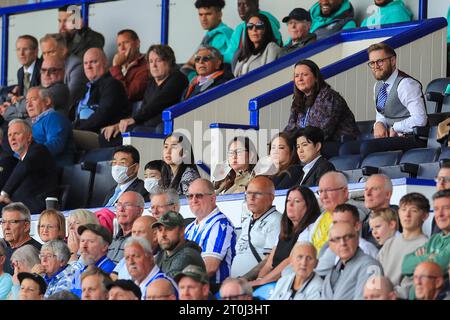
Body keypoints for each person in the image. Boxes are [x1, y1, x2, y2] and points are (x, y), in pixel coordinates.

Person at [248, 186, 321, 287]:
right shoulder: (285, 230)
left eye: (297, 201)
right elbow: (269, 264)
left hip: (286, 283)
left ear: (308, 206)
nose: (290, 204)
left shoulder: (311, 229)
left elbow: (290, 261)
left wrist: (261, 282)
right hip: (269, 282)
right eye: (288, 200)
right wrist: (259, 280)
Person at [112, 45, 188, 139]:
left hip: (165, 126)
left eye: (158, 60)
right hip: (148, 124)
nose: (154, 65)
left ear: (169, 62)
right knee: (110, 136)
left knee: (135, 131)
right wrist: (119, 125)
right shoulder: (152, 82)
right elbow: (144, 106)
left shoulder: (178, 78)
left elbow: (158, 103)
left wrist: (134, 119)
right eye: (151, 61)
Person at [284, 59, 359, 141]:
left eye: (305, 75)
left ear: (316, 78)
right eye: (296, 76)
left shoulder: (328, 97)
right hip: (307, 145)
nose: (300, 79)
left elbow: (320, 132)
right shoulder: (299, 100)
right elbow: (290, 129)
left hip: (340, 146)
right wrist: (282, 142)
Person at [185, 179, 235, 291]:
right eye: (190, 196)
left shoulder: (221, 224)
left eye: (199, 196)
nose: (194, 200)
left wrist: (183, 286)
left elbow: (210, 268)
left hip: (213, 289)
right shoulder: (189, 228)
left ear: (213, 198)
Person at [73, 48, 129, 147]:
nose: (88, 66)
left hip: (99, 134)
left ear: (105, 63)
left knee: (64, 135)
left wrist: (75, 129)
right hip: (81, 132)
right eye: (85, 63)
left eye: (93, 62)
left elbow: (102, 115)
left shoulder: (112, 85)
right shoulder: (84, 88)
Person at [368, 43, 427, 137]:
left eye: (380, 61)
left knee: (365, 148)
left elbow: (420, 120)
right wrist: (379, 123)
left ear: (393, 61)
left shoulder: (406, 84)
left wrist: (395, 127)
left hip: (411, 138)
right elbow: (382, 113)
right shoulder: (378, 86)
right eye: (372, 63)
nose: (375, 66)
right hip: (390, 138)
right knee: (348, 148)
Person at [378, 193, 429, 299]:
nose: (407, 214)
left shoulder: (426, 246)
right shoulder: (389, 243)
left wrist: (386, 295)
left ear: (425, 215)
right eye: (404, 209)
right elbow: (376, 272)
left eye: (413, 210)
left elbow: (412, 286)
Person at [0, 119, 58, 213]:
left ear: (29, 137)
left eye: (16, 134)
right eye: (9, 135)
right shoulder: (21, 159)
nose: (12, 138)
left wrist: (5, 193)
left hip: (39, 207)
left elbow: (25, 166)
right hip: (19, 206)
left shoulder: (39, 150)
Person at [231, 176, 281, 277]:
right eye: (248, 193)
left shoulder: (276, 220)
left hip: (253, 285)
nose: (251, 198)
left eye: (257, 194)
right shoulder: (247, 220)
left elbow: (269, 260)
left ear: (271, 197)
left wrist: (245, 279)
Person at [402, 190, 450, 294]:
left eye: (446, 208)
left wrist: (424, 257)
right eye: (436, 209)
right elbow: (405, 265)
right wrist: (432, 257)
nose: (440, 214)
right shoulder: (434, 239)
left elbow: (441, 263)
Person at [314, 203, 379, 277]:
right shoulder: (333, 247)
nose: (338, 227)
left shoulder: (365, 249)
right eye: (335, 223)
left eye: (343, 223)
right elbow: (318, 272)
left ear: (357, 226)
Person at [321, 222, 383, 300]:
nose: (343, 243)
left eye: (348, 237)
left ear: (357, 239)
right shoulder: (335, 270)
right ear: (330, 245)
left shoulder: (371, 267)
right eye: (337, 239)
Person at [181, 0, 233, 80]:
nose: (203, 19)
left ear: (219, 15)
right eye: (200, 14)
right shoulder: (209, 35)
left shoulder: (224, 34)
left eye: (208, 14)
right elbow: (189, 64)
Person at [25, 86, 75, 166]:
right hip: (36, 166)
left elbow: (56, 145)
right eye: (27, 102)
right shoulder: (35, 123)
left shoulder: (54, 117)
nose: (29, 105)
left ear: (47, 101)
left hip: (53, 169)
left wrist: (28, 153)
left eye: (33, 100)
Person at [223, 0, 282, 64]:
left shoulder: (266, 21)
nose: (241, 8)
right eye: (239, 5)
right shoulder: (239, 29)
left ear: (256, 5)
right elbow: (230, 54)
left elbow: (276, 44)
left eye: (245, 4)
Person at [39, 33, 87, 111]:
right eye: (44, 53)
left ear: (63, 50)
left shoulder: (76, 66)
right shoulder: (45, 66)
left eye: (51, 52)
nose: (47, 57)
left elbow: (68, 97)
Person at [153, 211, 205, 279]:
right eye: (160, 230)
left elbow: (165, 286)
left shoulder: (187, 256)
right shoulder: (162, 254)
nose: (163, 235)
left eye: (169, 229)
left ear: (182, 231)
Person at [70, 224, 115, 297]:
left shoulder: (109, 271)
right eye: (82, 241)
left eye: (91, 241)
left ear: (105, 246)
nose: (84, 246)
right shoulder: (80, 270)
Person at [0, 35, 41, 111]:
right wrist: (13, 99)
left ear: (36, 52)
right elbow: (21, 96)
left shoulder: (42, 69)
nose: (21, 54)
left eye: (25, 49)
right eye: (18, 49)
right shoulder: (20, 72)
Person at [111, 215, 158, 281]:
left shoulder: (161, 259)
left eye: (140, 232)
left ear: (155, 235)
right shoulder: (127, 257)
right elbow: (113, 277)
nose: (136, 236)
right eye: (133, 232)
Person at [233, 13, 282, 77]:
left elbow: (269, 76)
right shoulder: (243, 53)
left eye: (259, 26)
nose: (254, 30)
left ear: (266, 29)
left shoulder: (272, 47)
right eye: (250, 26)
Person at [1, 202, 42, 276]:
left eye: (12, 222)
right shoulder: (4, 251)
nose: (6, 227)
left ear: (26, 226)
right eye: (3, 222)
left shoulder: (38, 252)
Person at [110, 29, 149, 102]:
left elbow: (127, 94)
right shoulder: (118, 66)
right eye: (119, 45)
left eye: (125, 42)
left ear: (137, 43)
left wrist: (116, 67)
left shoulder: (146, 66)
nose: (122, 48)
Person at [107, 191, 145, 264]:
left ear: (140, 211)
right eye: (119, 205)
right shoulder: (111, 240)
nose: (121, 209)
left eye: (127, 205)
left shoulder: (142, 241)